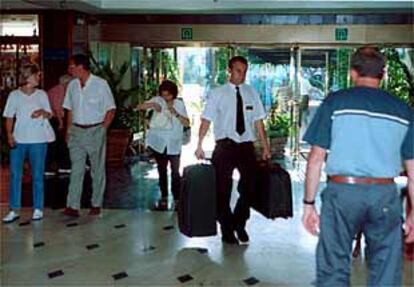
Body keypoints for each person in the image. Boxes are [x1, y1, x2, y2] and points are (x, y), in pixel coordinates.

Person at [302, 47, 414, 286]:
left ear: (353, 73)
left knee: (333, 269)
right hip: (384, 196)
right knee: (386, 269)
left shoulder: (335, 102)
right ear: (382, 74)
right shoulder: (403, 110)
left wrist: (308, 204)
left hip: (342, 194)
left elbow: (315, 158)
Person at [195, 56, 271, 245]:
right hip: (225, 147)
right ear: (229, 70)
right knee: (222, 190)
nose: (242, 75)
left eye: (245, 71)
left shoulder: (251, 92)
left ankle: (239, 222)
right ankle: (227, 229)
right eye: (238, 70)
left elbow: (258, 122)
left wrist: (265, 147)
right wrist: (199, 144)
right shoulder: (217, 93)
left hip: (246, 146)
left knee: (250, 188)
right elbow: (206, 120)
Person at [62, 54, 116, 217]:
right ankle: (72, 205)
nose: (69, 70)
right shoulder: (72, 86)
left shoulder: (100, 84)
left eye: (72, 66)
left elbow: (111, 109)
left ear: (81, 67)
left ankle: (96, 203)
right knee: (76, 168)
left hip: (95, 130)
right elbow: (69, 109)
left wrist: (102, 129)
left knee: (97, 169)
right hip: (76, 131)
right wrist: (68, 130)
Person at [2, 64, 55, 223]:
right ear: (28, 77)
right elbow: (9, 117)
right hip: (19, 139)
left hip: (38, 140)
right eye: (36, 75)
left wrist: (42, 113)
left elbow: (50, 114)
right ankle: (14, 209)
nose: (39, 77)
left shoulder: (42, 95)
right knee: (15, 174)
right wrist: (9, 135)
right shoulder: (14, 95)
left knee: (37, 174)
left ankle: (38, 207)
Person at [136, 80, 190, 211]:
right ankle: (164, 195)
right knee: (161, 169)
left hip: (173, 142)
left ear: (173, 94)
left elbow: (187, 123)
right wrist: (153, 104)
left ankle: (177, 197)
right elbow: (139, 106)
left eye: (168, 95)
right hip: (159, 141)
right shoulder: (158, 100)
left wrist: (175, 113)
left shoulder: (179, 104)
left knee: (175, 171)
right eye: (163, 94)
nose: (165, 98)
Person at [46, 74, 72, 174]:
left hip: (56, 119)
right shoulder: (58, 91)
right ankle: (62, 165)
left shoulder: (60, 90)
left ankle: (61, 165)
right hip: (54, 120)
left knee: (58, 143)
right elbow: (57, 109)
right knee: (59, 143)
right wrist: (61, 124)